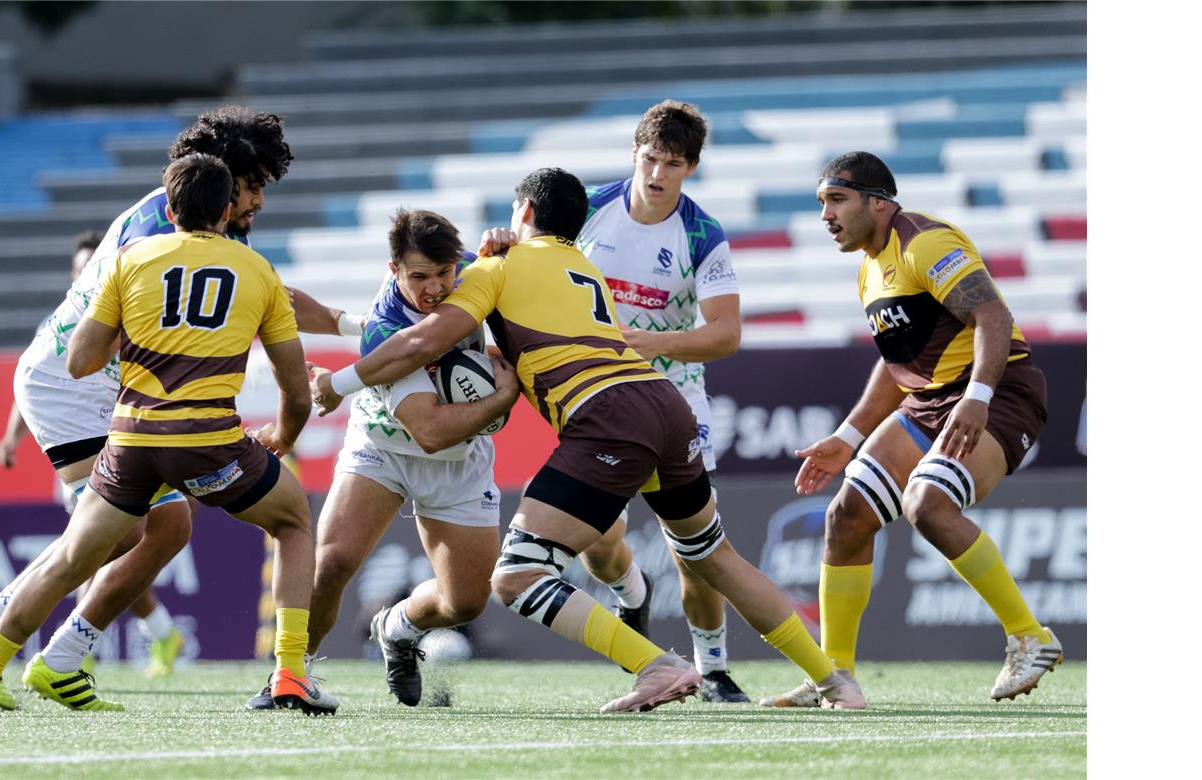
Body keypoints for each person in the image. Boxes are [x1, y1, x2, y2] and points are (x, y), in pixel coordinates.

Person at [310, 168, 864, 713]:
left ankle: (659, 667)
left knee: (518, 577)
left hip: (606, 417)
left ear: (523, 212)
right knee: (715, 556)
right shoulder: (585, 265)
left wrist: (336, 385)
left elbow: (422, 340)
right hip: (666, 402)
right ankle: (833, 683)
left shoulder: (496, 267)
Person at [0, 153, 337, 717]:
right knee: (294, 519)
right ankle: (290, 675)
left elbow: (80, 361)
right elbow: (296, 389)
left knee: (73, 556)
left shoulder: (129, 259)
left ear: (169, 207)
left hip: (128, 439)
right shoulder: (258, 272)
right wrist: (282, 434)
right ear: (228, 210)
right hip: (208, 442)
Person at [760, 151, 1062, 707]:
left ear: (879, 202)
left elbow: (991, 316)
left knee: (928, 504)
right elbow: (896, 361)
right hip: (928, 400)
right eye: (821, 202)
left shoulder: (925, 242)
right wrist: (848, 436)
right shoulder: (868, 268)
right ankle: (835, 675)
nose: (825, 215)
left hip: (999, 391)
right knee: (845, 517)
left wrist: (977, 397)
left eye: (836, 200)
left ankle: (1030, 637)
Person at [477, 100, 749, 703]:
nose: (657, 174)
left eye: (673, 164)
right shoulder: (590, 210)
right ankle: (633, 595)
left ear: (691, 168)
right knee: (601, 544)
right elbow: (531, 258)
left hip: (673, 395)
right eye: (650, 159)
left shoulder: (702, 234)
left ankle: (714, 666)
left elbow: (727, 335)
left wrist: (655, 340)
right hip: (598, 392)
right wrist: (499, 244)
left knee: (694, 549)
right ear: (634, 155)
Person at [246, 209, 518, 710]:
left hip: (459, 462)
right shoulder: (387, 327)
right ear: (393, 270)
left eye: (443, 274)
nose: (435, 287)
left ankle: (396, 627)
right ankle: (290, 676)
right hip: (384, 445)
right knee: (332, 563)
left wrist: (509, 243)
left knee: (465, 602)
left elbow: (518, 265)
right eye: (419, 277)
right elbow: (430, 431)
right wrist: (502, 400)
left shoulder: (475, 269)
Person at [0, 229, 185, 684]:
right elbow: (36, 381)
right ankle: (134, 637)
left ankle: (60, 648)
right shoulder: (64, 322)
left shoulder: (130, 302)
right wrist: (12, 437)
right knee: (105, 543)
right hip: (80, 436)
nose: (86, 274)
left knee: (108, 540)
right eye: (79, 269)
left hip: (116, 437)